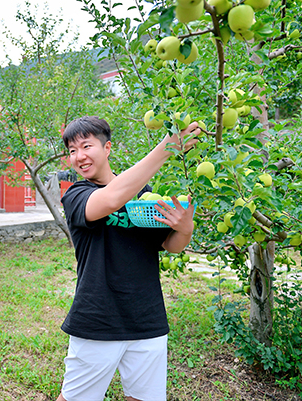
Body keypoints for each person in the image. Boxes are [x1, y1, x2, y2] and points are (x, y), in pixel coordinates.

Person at [56, 116, 200, 401]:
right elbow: (110, 200)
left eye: (86, 146)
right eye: (72, 150)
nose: (79, 156)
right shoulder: (76, 195)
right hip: (98, 318)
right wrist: (166, 148)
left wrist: (185, 229)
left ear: (107, 147)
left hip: (146, 318)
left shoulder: (142, 197)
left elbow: (170, 245)